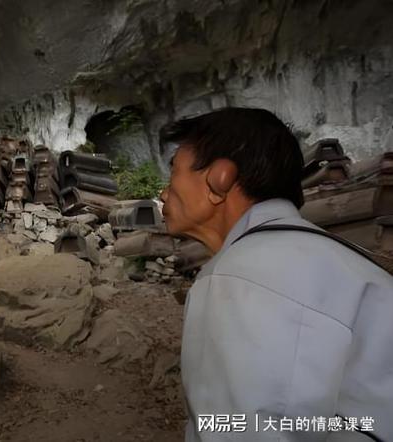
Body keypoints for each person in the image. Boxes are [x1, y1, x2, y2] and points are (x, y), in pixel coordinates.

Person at [158, 107, 393, 441]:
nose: (164, 193)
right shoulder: (343, 262)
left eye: (173, 172)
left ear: (219, 178)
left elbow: (247, 432)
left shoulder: (238, 277)